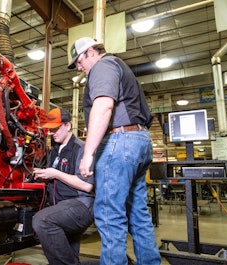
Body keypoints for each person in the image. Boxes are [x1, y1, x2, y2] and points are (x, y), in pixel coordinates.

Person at [68, 37, 161, 265]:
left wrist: (88, 153)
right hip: (139, 141)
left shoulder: (103, 66)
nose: (79, 67)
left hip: (120, 142)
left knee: (109, 215)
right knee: (138, 214)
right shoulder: (120, 66)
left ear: (90, 52)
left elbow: (103, 106)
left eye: (79, 61)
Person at [32, 107, 95, 265]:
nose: (52, 133)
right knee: (70, 255)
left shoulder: (81, 149)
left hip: (80, 205)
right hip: (62, 206)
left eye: (56, 129)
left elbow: (86, 185)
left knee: (42, 220)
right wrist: (42, 175)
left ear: (68, 126)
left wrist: (55, 173)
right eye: (50, 130)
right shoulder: (54, 151)